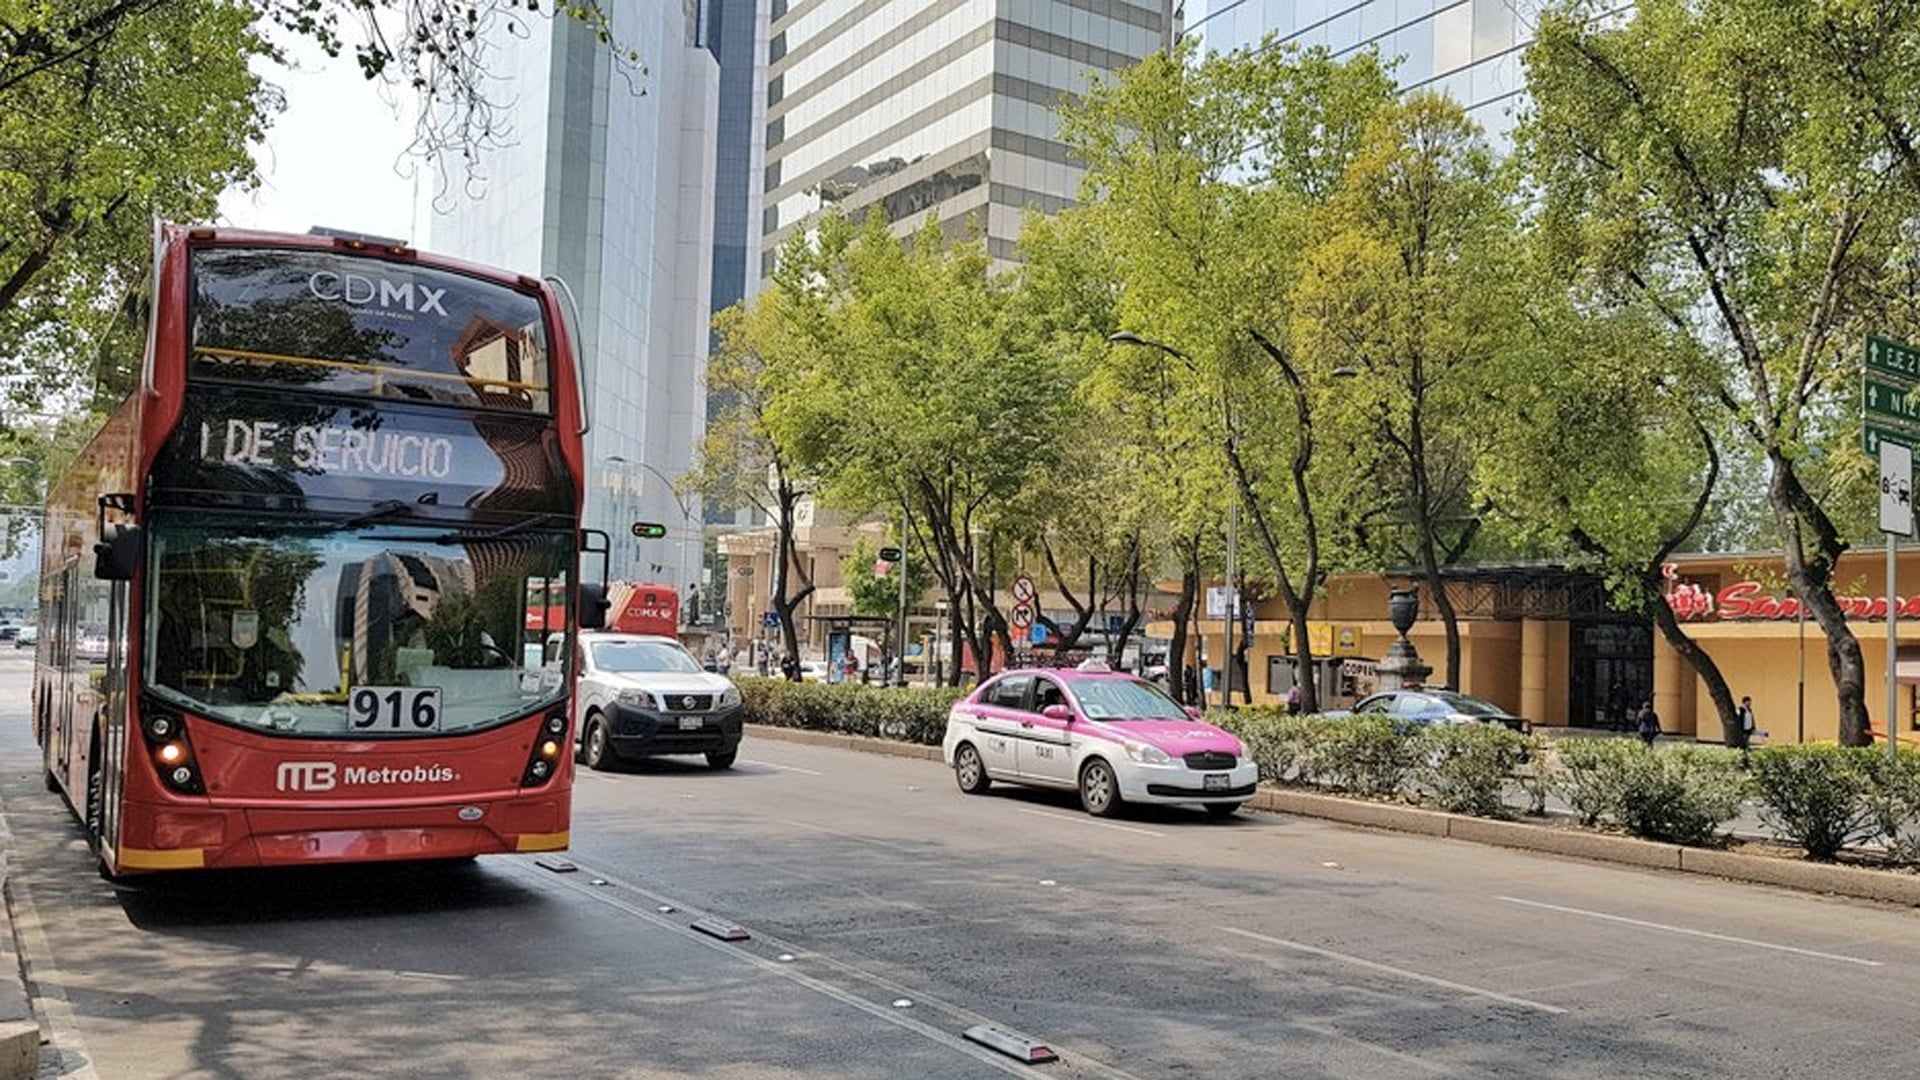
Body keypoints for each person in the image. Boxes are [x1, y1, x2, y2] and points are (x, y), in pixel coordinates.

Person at [1735, 696, 1757, 762]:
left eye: (1750, 702)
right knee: (1744, 741)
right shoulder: (1740, 709)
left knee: (1747, 740)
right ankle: (1743, 754)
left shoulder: (1750, 710)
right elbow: (1738, 719)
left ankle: (1746, 753)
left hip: (1749, 728)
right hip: (1743, 729)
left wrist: (1753, 726)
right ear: (1744, 702)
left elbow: (1751, 718)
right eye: (1748, 702)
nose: (1750, 703)